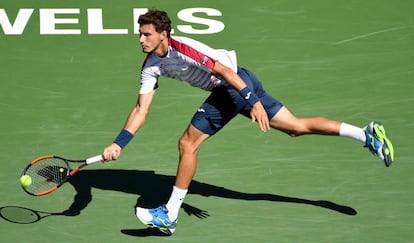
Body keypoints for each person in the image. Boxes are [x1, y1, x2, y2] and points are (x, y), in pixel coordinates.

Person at [102, 9, 394, 235]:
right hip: (244, 80)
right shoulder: (151, 65)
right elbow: (141, 108)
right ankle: (366, 134)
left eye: (146, 34)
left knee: (187, 143)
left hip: (233, 85)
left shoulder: (185, 49)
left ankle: (169, 214)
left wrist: (252, 100)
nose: (141, 39)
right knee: (295, 128)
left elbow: (226, 73)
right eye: (140, 34)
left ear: (163, 35)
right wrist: (120, 142)